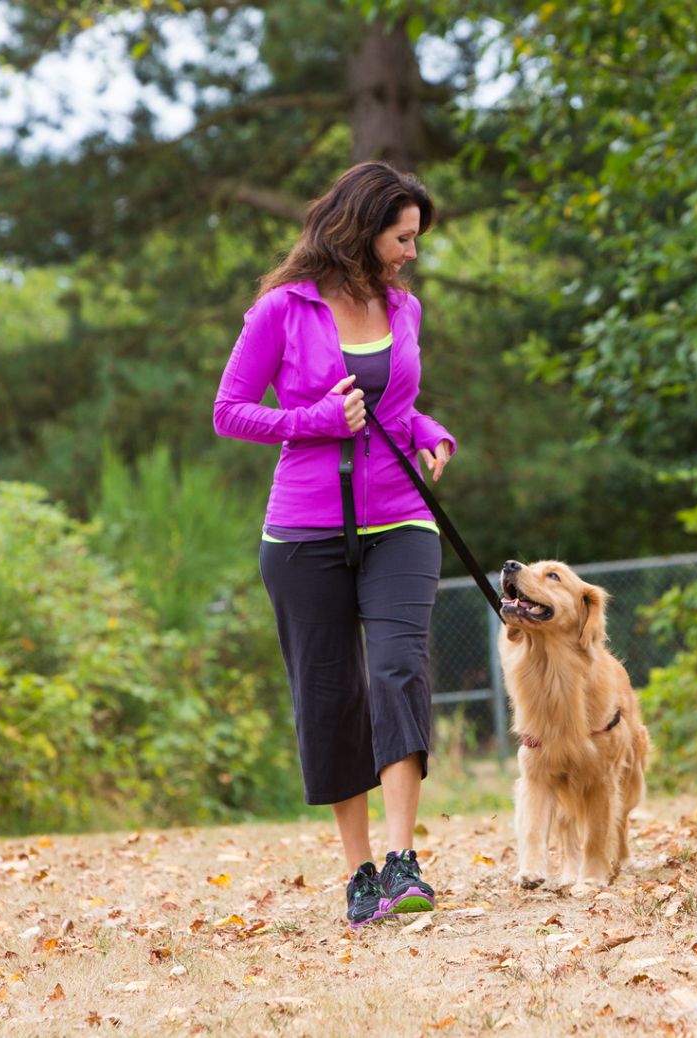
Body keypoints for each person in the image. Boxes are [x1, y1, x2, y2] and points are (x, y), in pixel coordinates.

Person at [212, 162, 454, 928]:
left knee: (398, 669)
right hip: (304, 531)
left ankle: (402, 859)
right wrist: (309, 420)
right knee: (330, 695)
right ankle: (357, 873)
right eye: (402, 236)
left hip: (399, 520)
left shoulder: (404, 309)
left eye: (415, 238)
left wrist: (433, 434)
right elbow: (230, 411)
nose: (411, 251)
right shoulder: (282, 311)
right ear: (363, 228)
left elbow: (399, 407)